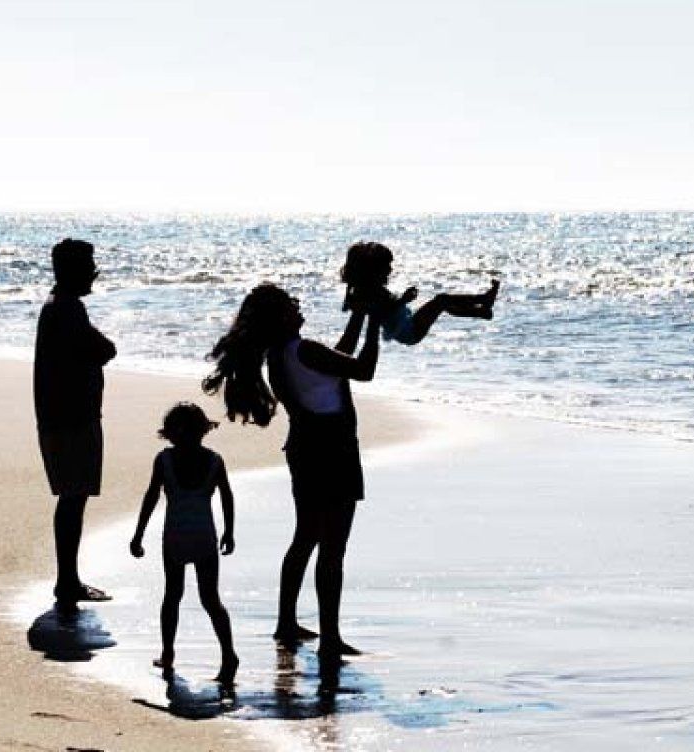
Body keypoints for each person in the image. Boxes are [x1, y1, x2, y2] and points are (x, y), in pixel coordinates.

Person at [204, 284, 380, 666]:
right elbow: (362, 369)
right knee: (333, 548)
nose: (298, 307)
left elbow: (339, 357)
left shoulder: (282, 355)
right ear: (279, 318)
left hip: (304, 448)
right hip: (333, 451)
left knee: (306, 538)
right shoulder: (306, 351)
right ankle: (330, 638)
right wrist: (377, 323)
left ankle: (287, 623)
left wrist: (361, 313)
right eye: (289, 305)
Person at [34, 238, 116, 617]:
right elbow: (104, 350)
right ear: (70, 270)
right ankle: (67, 580)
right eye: (89, 265)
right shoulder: (67, 310)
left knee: (72, 497)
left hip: (63, 417)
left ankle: (68, 578)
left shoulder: (61, 308)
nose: (94, 272)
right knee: (73, 497)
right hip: (71, 419)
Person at [130, 402, 238, 683]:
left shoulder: (164, 460)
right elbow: (226, 496)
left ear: (170, 434)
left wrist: (139, 534)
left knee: (173, 596)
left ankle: (167, 653)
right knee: (210, 599)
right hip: (204, 536)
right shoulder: (214, 460)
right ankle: (228, 653)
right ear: (204, 430)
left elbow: (151, 497)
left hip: (176, 536)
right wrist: (229, 531)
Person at [341, 241, 499, 345]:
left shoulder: (366, 288)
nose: (390, 270)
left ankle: (482, 311)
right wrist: (404, 300)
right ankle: (483, 300)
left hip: (408, 325)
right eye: (386, 267)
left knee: (444, 305)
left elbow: (357, 304)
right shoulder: (369, 291)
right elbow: (381, 312)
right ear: (373, 270)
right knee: (442, 300)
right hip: (409, 331)